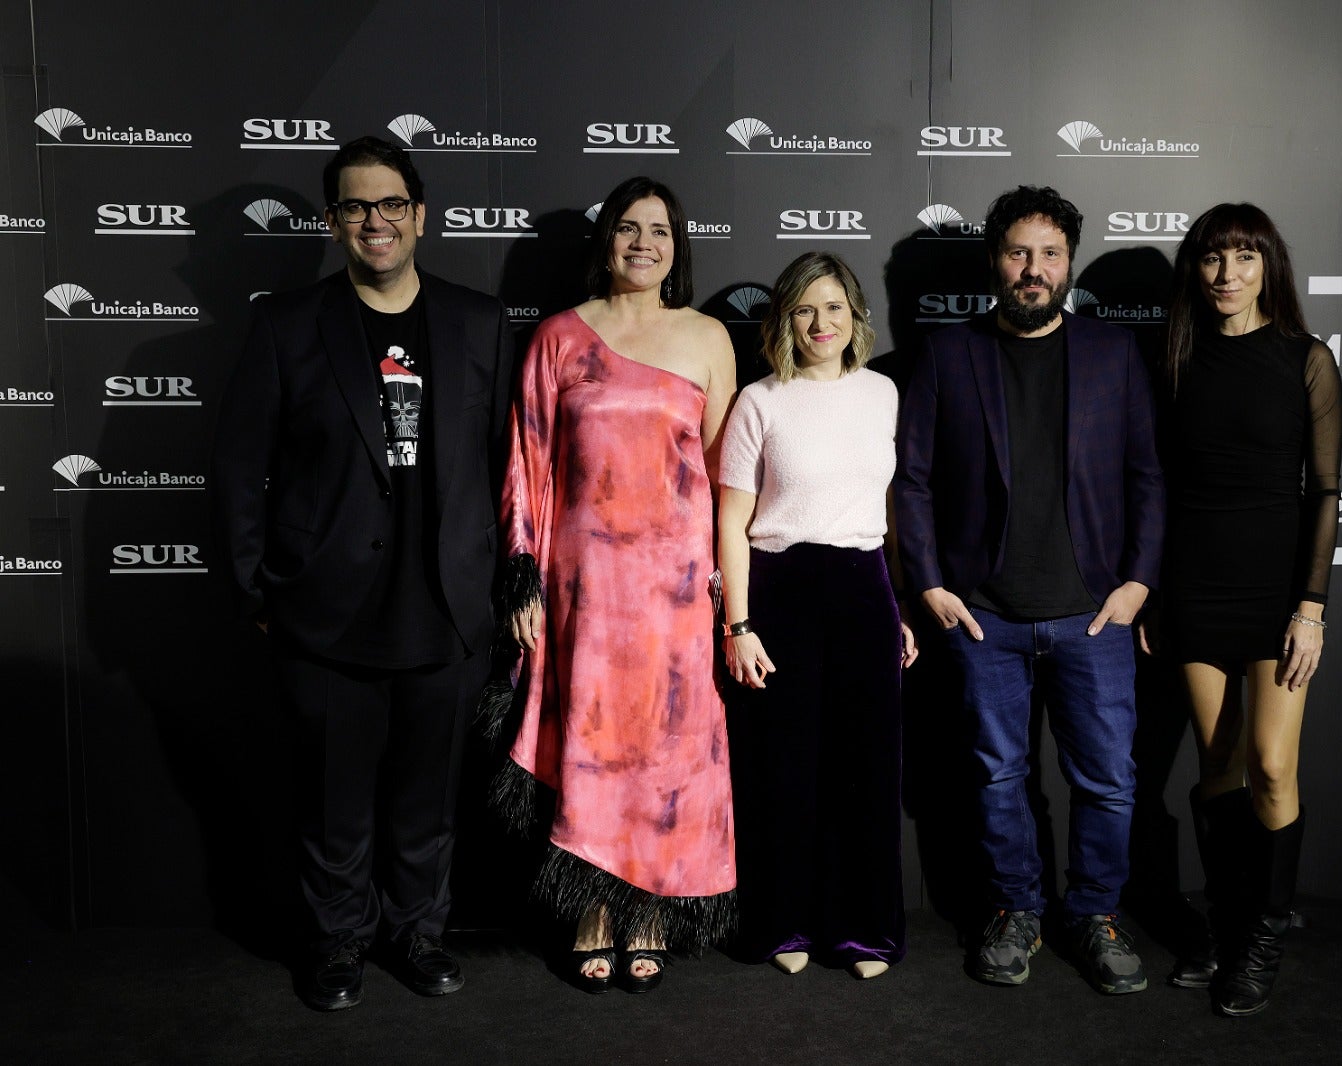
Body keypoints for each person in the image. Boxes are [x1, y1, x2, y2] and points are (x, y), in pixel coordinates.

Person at [211, 136, 514, 1011]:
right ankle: (338, 940)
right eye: (354, 206)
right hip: (325, 611)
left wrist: (501, 585)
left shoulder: (479, 321)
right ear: (332, 221)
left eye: (389, 204)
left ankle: (417, 933)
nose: (373, 221)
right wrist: (257, 588)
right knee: (333, 800)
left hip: (447, 608)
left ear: (419, 216)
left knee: (429, 800)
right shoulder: (287, 324)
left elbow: (509, 464)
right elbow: (239, 466)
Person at [894, 186, 1165, 992]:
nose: (1033, 269)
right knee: (996, 777)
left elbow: (1149, 476)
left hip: (1095, 615)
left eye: (1050, 254)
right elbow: (912, 480)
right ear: (995, 260)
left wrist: (1139, 581)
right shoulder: (948, 354)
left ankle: (1095, 913)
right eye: (1019, 253)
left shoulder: (1114, 353)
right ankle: (1017, 910)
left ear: (1069, 263)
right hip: (986, 617)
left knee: (1108, 780)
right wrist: (930, 583)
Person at [485, 176, 737, 994]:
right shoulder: (561, 336)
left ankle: (651, 910)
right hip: (586, 588)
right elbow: (527, 461)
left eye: (659, 231)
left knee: (665, 749)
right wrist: (521, 577)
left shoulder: (707, 338)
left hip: (676, 593)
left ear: (677, 246)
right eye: (629, 228)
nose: (643, 244)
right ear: (607, 241)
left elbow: (727, 480)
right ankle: (591, 910)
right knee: (594, 747)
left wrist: (731, 595)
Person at [1150, 202, 1342, 1017]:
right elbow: (1160, 487)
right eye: (1212, 258)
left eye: (1244, 257)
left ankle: (1262, 937)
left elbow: (1325, 491)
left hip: (1276, 596)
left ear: (1269, 267)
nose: (1227, 274)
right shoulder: (1175, 358)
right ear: (1195, 269)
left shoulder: (1307, 359)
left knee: (1271, 765)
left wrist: (1311, 608)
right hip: (1194, 587)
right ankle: (1228, 929)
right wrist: (1155, 591)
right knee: (1219, 767)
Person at [717, 252, 918, 981]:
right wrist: (739, 626)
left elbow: (888, 513)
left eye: (833, 307)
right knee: (784, 770)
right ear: (785, 319)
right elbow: (731, 521)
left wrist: (897, 606)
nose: (820, 322)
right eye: (805, 308)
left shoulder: (883, 394)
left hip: (865, 587)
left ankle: (862, 932)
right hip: (781, 590)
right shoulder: (759, 401)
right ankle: (783, 924)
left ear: (855, 316)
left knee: (865, 770)